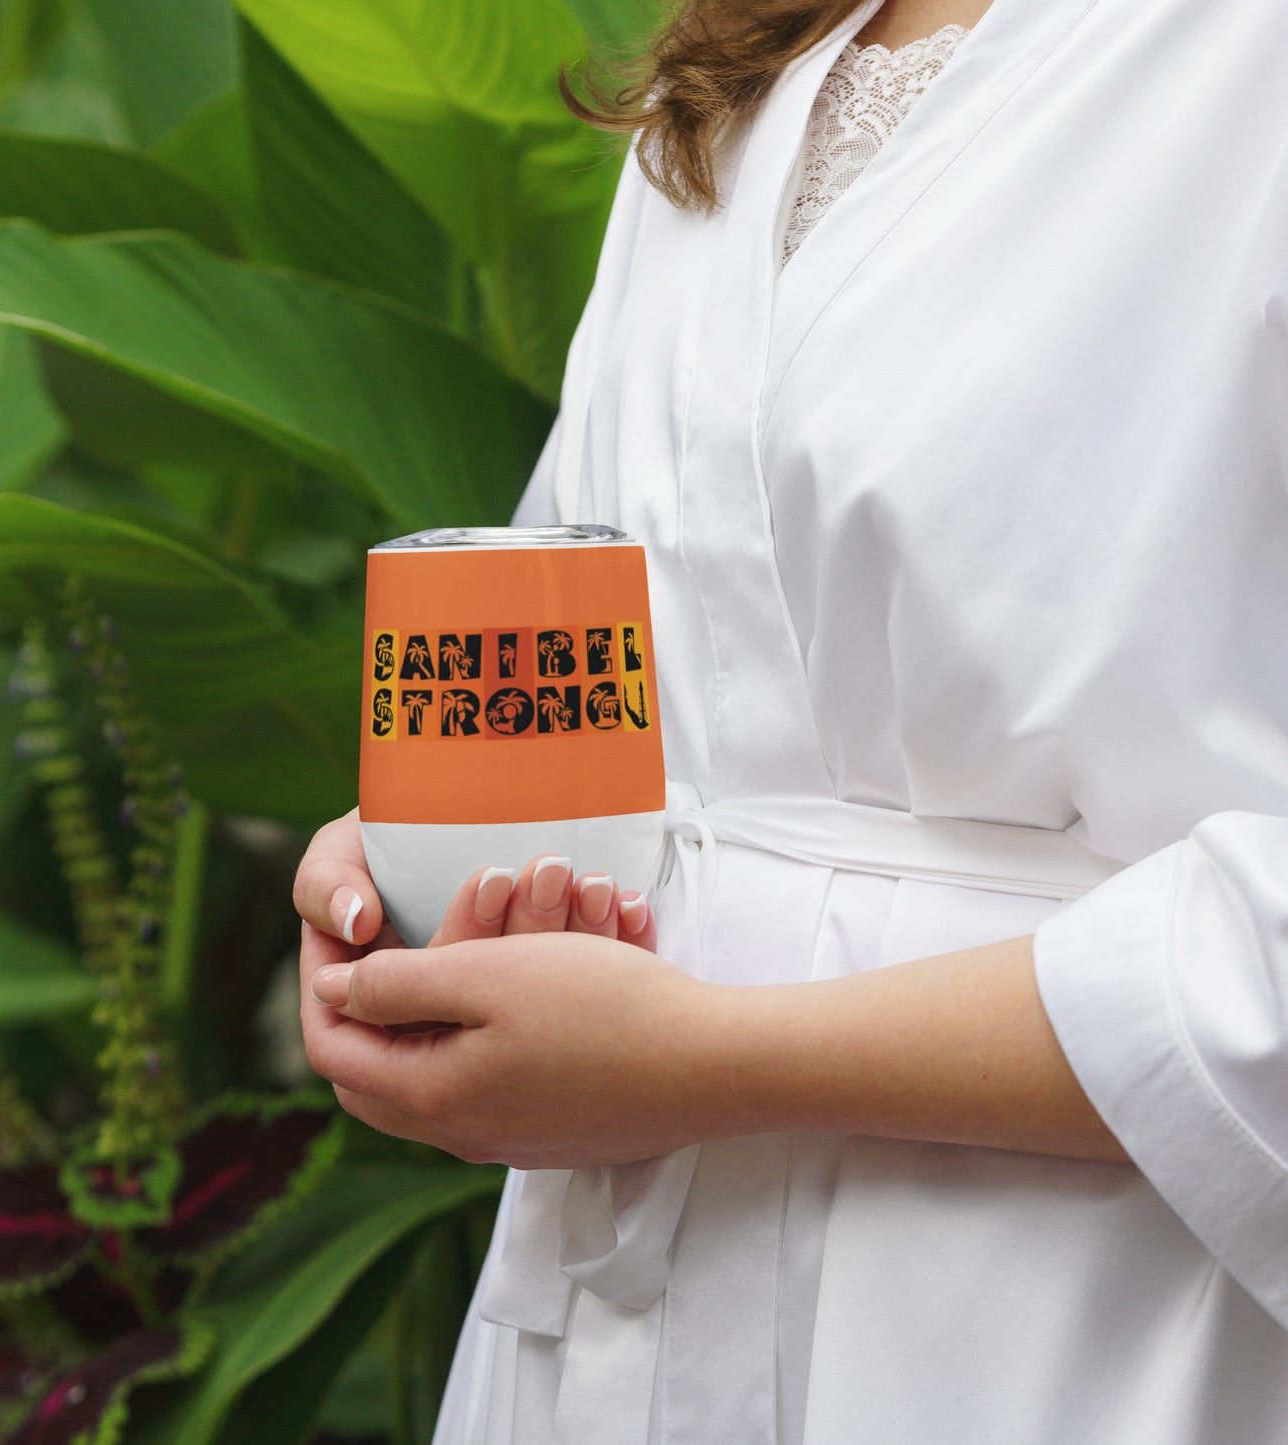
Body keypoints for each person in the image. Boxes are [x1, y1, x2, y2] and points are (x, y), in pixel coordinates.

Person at [294, 0, 1288, 1438]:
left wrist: (711, 1059)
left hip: (1076, 1316)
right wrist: (424, 865)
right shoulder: (749, 54)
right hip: (622, 1309)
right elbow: (647, 648)